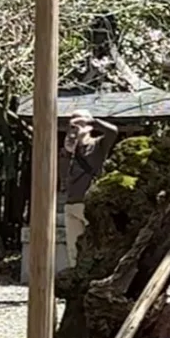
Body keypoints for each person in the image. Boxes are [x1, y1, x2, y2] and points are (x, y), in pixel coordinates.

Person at [60, 109, 118, 268]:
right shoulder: (69, 148)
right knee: (73, 249)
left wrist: (92, 122)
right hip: (71, 203)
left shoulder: (97, 144)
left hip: (90, 202)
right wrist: (68, 151)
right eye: (72, 123)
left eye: (79, 122)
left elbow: (113, 132)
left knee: (96, 245)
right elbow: (63, 175)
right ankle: (75, 277)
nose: (75, 126)